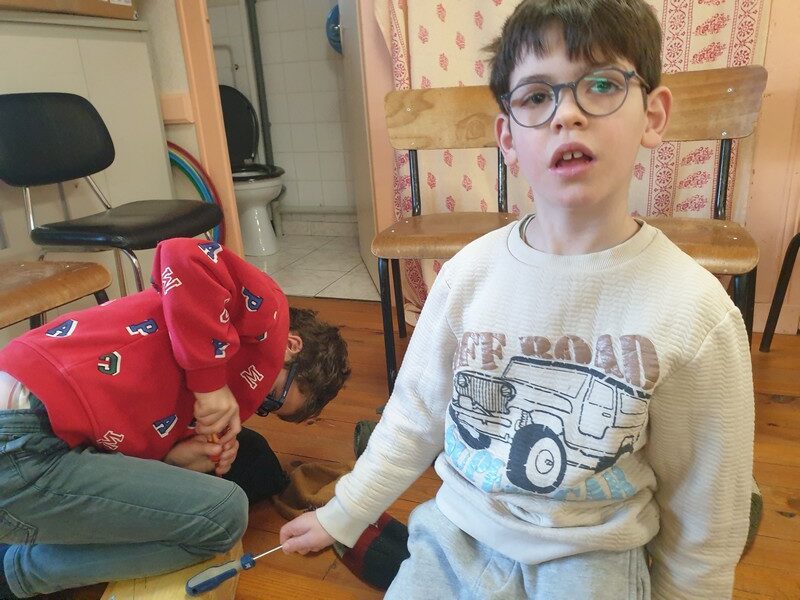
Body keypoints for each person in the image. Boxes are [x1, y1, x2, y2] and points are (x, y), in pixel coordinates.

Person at [279, 1, 755, 599]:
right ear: (507, 137)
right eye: (536, 96)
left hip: (594, 552)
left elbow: (708, 503)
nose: (568, 114)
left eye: (601, 85)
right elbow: (414, 416)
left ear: (653, 115)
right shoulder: (466, 277)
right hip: (457, 531)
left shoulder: (696, 312)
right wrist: (345, 511)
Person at [0, 237, 350, 598]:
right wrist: (210, 383)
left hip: (41, 442)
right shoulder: (267, 314)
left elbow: (116, 445)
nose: (256, 402)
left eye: (267, 408)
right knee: (225, 515)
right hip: (22, 432)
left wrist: (171, 460)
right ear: (290, 345)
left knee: (226, 499)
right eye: (274, 394)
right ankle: (14, 573)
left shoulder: (193, 402)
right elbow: (180, 253)